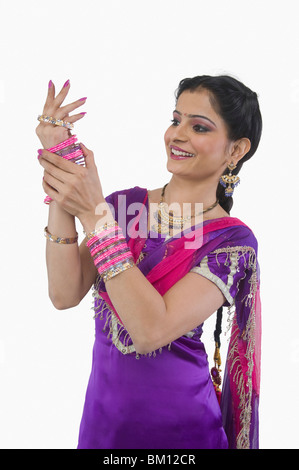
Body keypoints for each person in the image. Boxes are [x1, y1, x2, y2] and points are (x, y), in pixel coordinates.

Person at [36, 75, 262, 449]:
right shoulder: (127, 206)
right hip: (103, 425)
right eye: (176, 120)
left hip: (183, 432)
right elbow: (63, 293)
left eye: (199, 126)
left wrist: (94, 215)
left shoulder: (232, 240)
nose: (178, 134)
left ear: (235, 150)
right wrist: (65, 171)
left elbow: (150, 332)